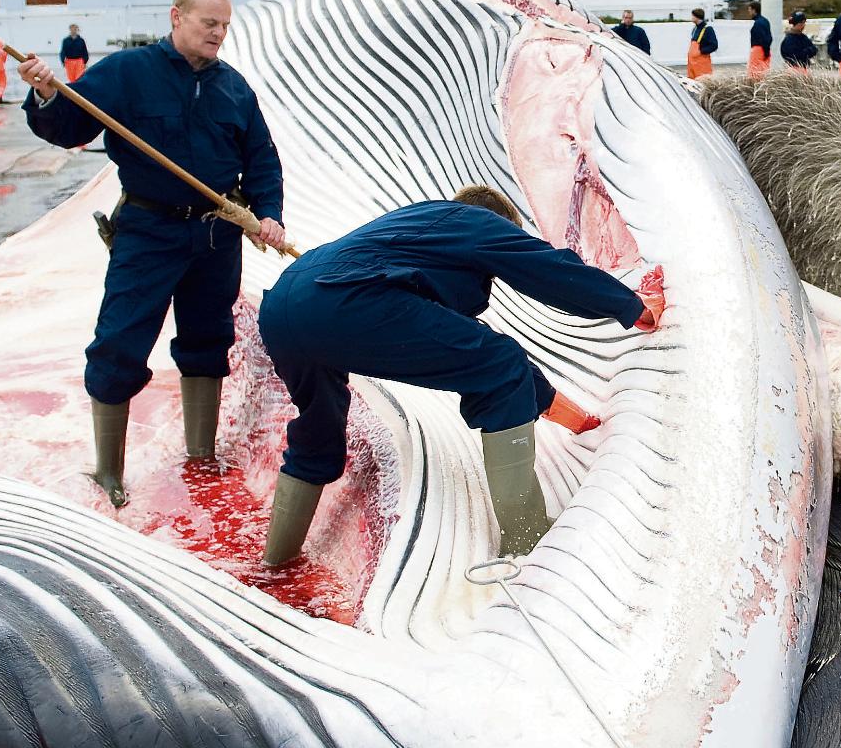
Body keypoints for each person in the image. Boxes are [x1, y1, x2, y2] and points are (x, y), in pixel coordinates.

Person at [255, 186, 663, 564]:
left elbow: (460, 341)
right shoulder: (475, 222)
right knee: (500, 366)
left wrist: (563, 412)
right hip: (347, 304)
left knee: (319, 428)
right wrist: (631, 307)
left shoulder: (419, 227)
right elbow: (549, 270)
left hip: (286, 307)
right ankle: (526, 537)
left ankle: (276, 563)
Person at [18, 0, 287, 508]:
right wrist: (47, 92)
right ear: (176, 17)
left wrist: (269, 215)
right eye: (210, 23)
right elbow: (70, 126)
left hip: (216, 233)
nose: (219, 34)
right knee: (120, 339)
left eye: (225, 26)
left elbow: (262, 160)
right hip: (148, 230)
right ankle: (109, 472)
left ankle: (200, 456)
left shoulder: (234, 88)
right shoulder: (127, 73)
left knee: (208, 340)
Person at [687, 7, 719, 79]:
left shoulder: (708, 29)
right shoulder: (695, 29)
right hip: (692, 64)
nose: (691, 17)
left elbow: (714, 45)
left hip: (702, 64)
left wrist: (701, 51)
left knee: (703, 82)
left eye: (693, 16)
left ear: (697, 17)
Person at [747, 1, 773, 78]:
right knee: (764, 72)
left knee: (754, 74)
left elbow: (762, 38)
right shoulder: (765, 21)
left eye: (750, 10)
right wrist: (767, 51)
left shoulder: (758, 23)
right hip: (764, 50)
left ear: (754, 10)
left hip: (758, 50)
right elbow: (769, 38)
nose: (749, 12)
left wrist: (764, 52)